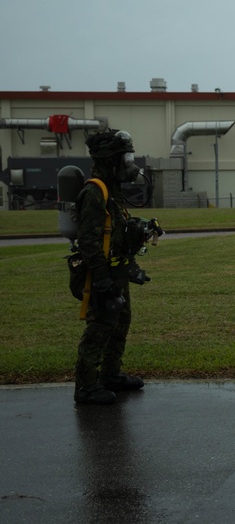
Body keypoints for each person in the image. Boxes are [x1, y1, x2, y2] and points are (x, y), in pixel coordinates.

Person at [74, 129, 146, 405]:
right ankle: (86, 386)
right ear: (109, 160)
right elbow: (89, 241)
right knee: (100, 326)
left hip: (117, 270)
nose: (130, 165)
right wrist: (101, 281)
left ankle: (110, 374)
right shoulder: (94, 192)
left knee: (121, 321)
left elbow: (116, 229)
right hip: (102, 273)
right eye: (125, 159)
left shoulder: (112, 192)